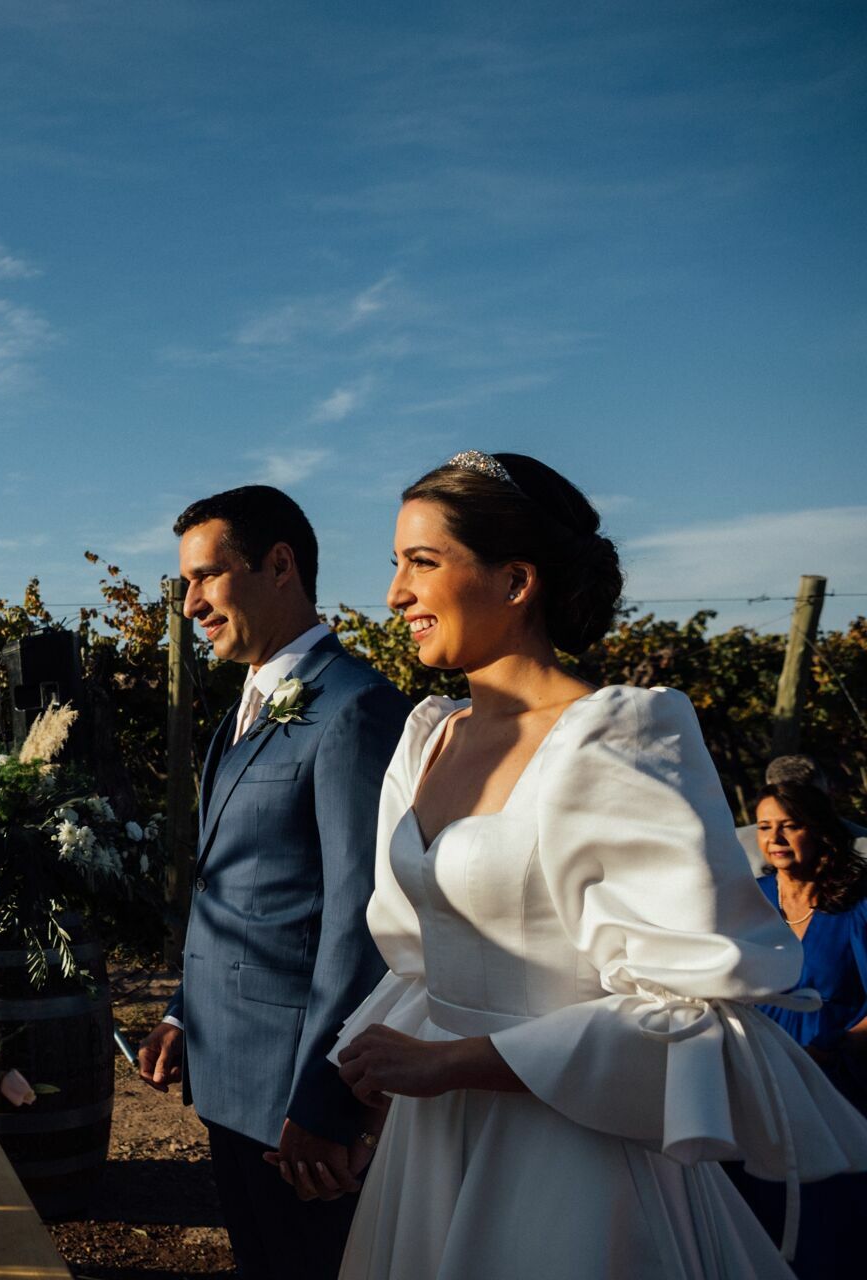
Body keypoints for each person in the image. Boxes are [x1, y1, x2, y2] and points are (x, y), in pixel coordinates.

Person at [331, 450, 867, 1279]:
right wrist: (359, 1090)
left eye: (422, 562)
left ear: (517, 581)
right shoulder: (429, 737)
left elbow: (685, 1010)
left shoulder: (614, 737)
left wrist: (452, 1062)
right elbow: (418, 961)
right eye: (396, 564)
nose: (396, 593)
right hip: (429, 1145)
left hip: (568, 1154)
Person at [136, 485, 410, 1280]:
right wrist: (184, 1013)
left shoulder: (356, 708)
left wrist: (328, 1101)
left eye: (205, 577)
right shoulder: (243, 710)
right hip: (231, 1077)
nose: (190, 604)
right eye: (185, 583)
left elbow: (361, 921)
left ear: (280, 566)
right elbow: (243, 891)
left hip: (296, 1099)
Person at [726, 781, 867, 1277]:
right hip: (756, 1079)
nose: (775, 838)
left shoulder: (857, 904)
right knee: (758, 1216)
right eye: (765, 827)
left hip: (835, 1080)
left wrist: (833, 1048)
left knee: (830, 1227)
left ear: (821, 830)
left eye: (790, 825)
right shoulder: (749, 899)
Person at [734, 756, 867, 876]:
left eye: (791, 826)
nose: (774, 838)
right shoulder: (735, 845)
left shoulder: (862, 845)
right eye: (782, 799)